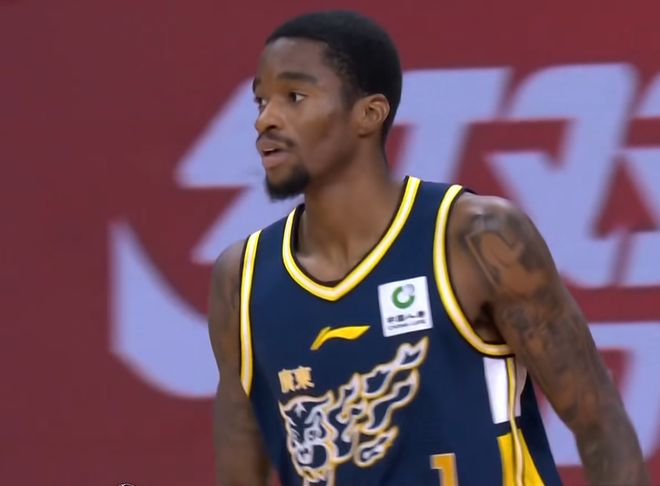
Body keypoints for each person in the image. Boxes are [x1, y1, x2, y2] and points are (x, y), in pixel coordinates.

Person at [207, 10, 648, 486]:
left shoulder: (477, 238)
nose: (266, 120)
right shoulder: (242, 280)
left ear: (369, 114)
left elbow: (600, 421)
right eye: (261, 101)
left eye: (294, 97)